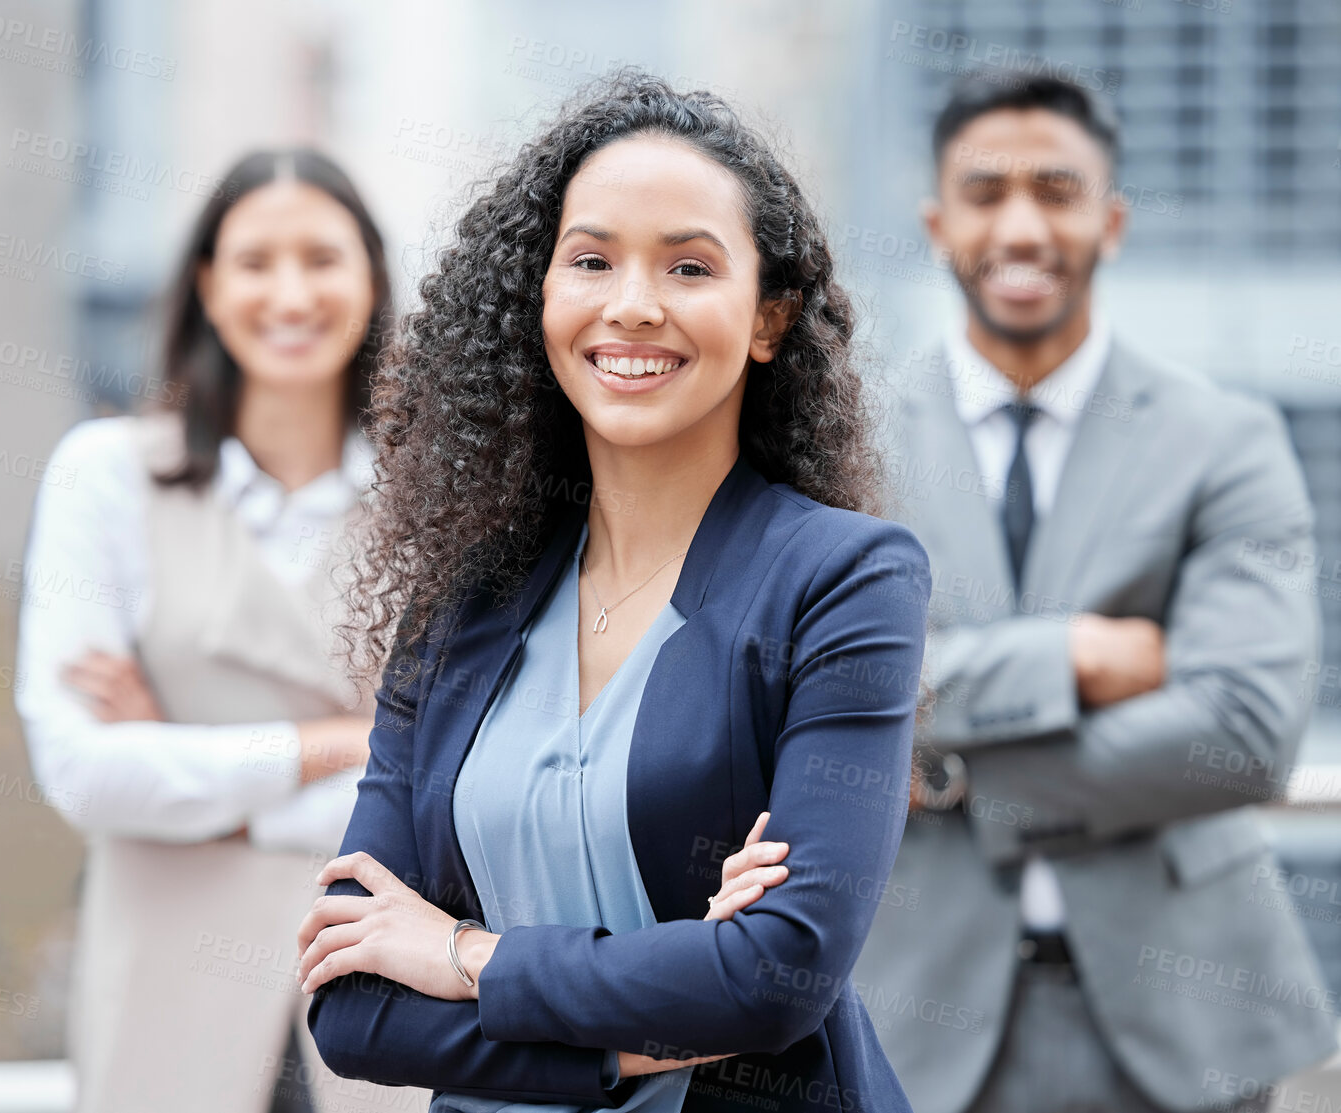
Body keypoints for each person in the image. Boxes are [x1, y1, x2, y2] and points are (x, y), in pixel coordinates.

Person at [295, 71, 932, 1113]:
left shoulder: (842, 580)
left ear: (766, 318)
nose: (631, 306)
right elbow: (355, 1009)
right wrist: (646, 1025)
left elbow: (775, 977)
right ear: (536, 299)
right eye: (589, 260)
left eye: (688, 266)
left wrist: (462, 954)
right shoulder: (463, 602)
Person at [853, 72, 1338, 1113]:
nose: (1020, 225)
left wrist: (948, 779)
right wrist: (1077, 655)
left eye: (1056, 190)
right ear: (936, 223)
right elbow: (823, 691)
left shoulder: (1225, 440)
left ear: (1108, 221)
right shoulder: (845, 451)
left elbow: (1244, 729)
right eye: (984, 193)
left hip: (1183, 1024)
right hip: (909, 1018)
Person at [16, 149, 413, 1113]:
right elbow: (83, 770)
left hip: (395, 1007)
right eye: (254, 261)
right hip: (169, 998)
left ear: (370, 277)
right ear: (206, 284)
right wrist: (351, 743)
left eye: (322, 258)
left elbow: (464, 778)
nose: (289, 293)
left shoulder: (434, 498)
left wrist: (194, 770)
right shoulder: (106, 475)